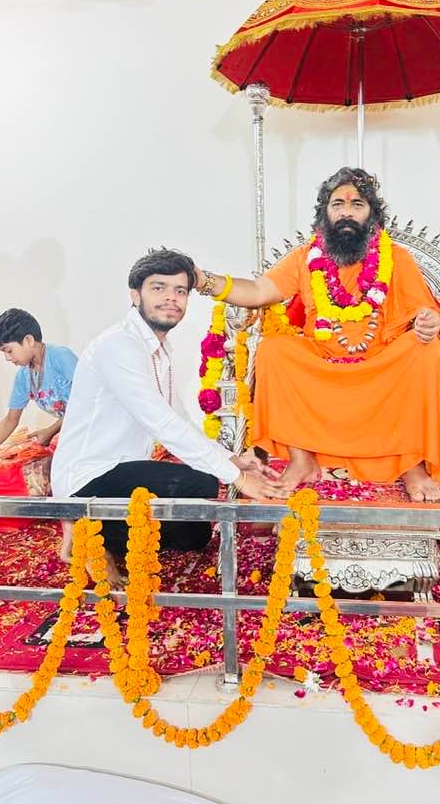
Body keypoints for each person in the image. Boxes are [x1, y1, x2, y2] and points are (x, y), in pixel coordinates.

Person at [195, 167, 440, 501]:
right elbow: (259, 291)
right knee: (274, 350)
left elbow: (424, 312)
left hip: (383, 362)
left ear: (372, 214)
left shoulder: (397, 258)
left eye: (357, 204)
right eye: (338, 204)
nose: (347, 212)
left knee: (426, 350)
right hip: (321, 361)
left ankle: (411, 465)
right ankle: (301, 459)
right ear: (325, 213)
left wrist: (428, 322)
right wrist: (204, 281)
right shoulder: (305, 259)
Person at [51, 248, 288, 587]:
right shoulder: (118, 345)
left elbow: (178, 417)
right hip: (89, 476)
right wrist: (237, 477)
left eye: (180, 291)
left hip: (122, 471)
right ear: (135, 295)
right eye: (158, 288)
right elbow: (161, 422)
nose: (171, 298)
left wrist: (231, 459)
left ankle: (99, 532)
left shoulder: (159, 348)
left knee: (195, 536)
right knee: (200, 484)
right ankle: (88, 534)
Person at [0, 308, 78, 558]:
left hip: (94, 422)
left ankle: (70, 544)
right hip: (71, 428)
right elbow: (11, 420)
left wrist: (50, 430)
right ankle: (72, 537)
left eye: (8, 350)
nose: (8, 358)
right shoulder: (24, 375)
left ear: (28, 340)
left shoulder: (60, 357)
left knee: (62, 471)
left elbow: (84, 403)